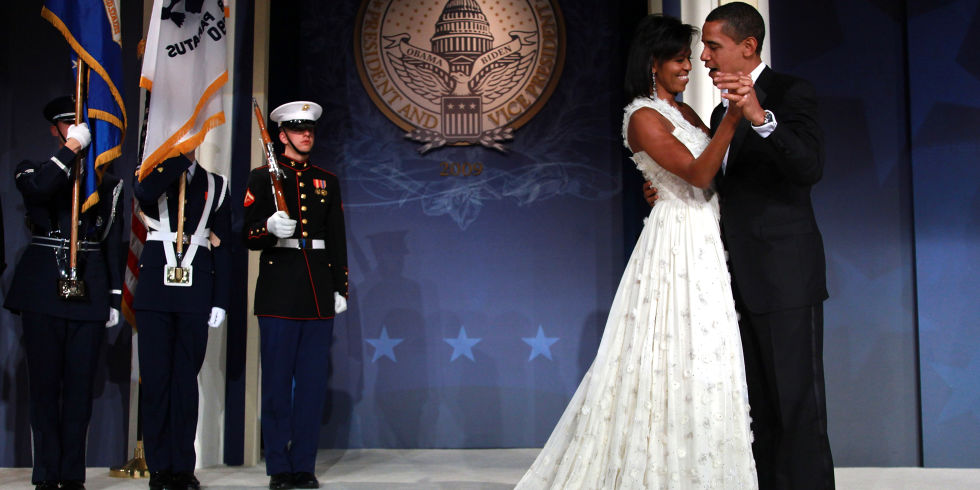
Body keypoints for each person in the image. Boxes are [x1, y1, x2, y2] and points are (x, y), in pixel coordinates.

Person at [517, 15, 757, 489]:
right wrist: (733, 116)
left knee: (708, 354)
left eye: (690, 57)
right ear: (652, 63)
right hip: (676, 246)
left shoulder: (687, 114)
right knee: (672, 355)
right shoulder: (642, 116)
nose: (689, 66)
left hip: (705, 238)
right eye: (678, 59)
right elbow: (697, 174)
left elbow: (708, 178)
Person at [644, 3, 833, 489]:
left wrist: (761, 117)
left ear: (747, 47)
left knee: (799, 410)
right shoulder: (714, 111)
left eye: (712, 46)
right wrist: (671, 187)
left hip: (785, 279)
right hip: (732, 283)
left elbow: (808, 169)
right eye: (703, 47)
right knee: (758, 415)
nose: (702, 56)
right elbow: (725, 186)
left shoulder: (791, 93)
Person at [4, 95, 124, 490]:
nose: (73, 131)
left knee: (78, 389)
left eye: (79, 127)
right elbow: (40, 191)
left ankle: (72, 475)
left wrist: (111, 298)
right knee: (44, 386)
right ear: (56, 130)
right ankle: (46, 474)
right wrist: (72, 150)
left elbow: (111, 242)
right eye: (66, 126)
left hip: (87, 291)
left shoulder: (107, 186)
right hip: (43, 289)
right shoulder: (31, 170)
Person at [243, 101, 349, 490]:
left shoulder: (326, 180)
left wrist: (340, 287)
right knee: (275, 385)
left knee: (309, 386)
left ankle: (303, 465)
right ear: (281, 135)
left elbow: (336, 238)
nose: (307, 135)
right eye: (298, 129)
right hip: (279, 293)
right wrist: (269, 226)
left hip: (318, 291)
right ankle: (278, 467)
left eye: (310, 129)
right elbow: (248, 236)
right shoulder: (261, 177)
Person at [132, 151, 232, 490]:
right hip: (155, 289)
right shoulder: (151, 175)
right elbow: (144, 195)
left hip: (196, 288)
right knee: (157, 382)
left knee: (185, 383)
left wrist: (221, 299)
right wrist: (177, 160)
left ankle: (183, 468)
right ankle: (159, 468)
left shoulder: (217, 185)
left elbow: (224, 246)